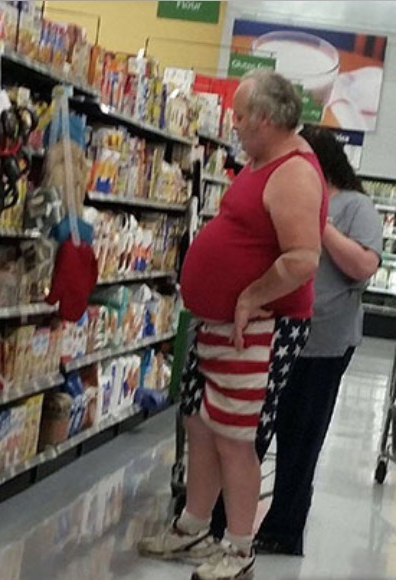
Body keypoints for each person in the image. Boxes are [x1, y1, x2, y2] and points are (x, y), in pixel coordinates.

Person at [138, 70, 328, 580]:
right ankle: (194, 526)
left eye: (240, 115)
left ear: (265, 118)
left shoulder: (293, 172)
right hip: (222, 326)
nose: (234, 123)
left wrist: (248, 297)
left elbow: (303, 258)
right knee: (201, 423)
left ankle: (239, 549)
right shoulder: (262, 161)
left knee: (234, 438)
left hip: (261, 328)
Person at [253, 125, 383, 557]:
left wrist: (321, 224)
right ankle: (236, 515)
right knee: (261, 428)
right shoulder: (290, 191)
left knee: (301, 436)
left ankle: (284, 530)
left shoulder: (356, 206)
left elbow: (364, 265)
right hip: (278, 333)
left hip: (324, 342)